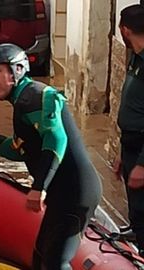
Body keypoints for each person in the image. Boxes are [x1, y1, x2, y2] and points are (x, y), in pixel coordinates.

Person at [0, 43, 102, 269]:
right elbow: (15, 150)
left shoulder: (34, 96)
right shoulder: (23, 102)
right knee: (40, 256)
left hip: (76, 191)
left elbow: (57, 139)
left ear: (17, 69)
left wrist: (39, 187)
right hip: (62, 192)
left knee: (55, 261)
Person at [112, 4, 144, 256]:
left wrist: (142, 164)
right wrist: (123, 152)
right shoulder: (135, 56)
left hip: (142, 146)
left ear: (124, 29)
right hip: (131, 142)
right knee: (134, 201)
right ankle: (137, 233)